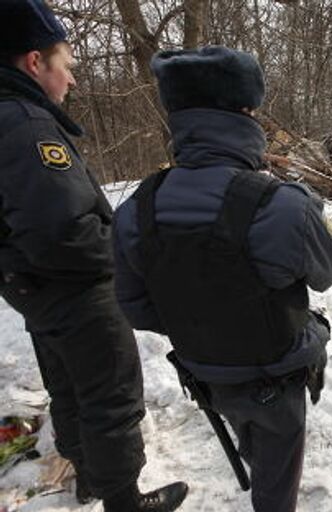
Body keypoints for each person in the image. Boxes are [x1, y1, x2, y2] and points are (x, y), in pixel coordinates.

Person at [112, 46, 332, 512]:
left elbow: (135, 306)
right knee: (277, 477)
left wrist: (202, 318)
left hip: (204, 372)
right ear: (247, 114)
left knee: (249, 429)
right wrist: (307, 208)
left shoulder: (135, 209)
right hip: (274, 374)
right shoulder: (284, 205)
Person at [0, 2, 188, 511]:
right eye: (68, 67)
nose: (74, 81)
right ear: (34, 63)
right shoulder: (25, 123)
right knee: (111, 396)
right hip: (76, 290)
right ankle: (124, 501)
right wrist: (125, 251)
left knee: (69, 387)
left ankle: (88, 477)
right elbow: (63, 233)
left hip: (33, 289)